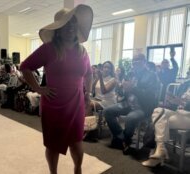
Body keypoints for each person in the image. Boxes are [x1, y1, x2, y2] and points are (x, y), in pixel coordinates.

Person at [20, 4, 93, 174]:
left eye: (73, 24)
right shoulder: (49, 49)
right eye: (66, 24)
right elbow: (25, 67)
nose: (70, 27)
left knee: (76, 142)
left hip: (76, 103)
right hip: (54, 104)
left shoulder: (83, 52)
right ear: (58, 29)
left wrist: (87, 93)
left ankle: (78, 169)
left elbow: (89, 74)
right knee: (53, 143)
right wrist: (38, 88)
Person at [104, 54, 159, 154]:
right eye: (134, 60)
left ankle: (122, 140)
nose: (135, 62)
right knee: (107, 111)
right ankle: (123, 138)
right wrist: (121, 88)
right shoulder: (130, 74)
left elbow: (151, 97)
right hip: (127, 103)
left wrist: (133, 89)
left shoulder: (152, 76)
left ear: (145, 62)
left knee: (130, 118)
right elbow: (122, 93)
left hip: (143, 107)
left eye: (138, 60)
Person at [142, 80, 190, 167]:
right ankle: (160, 149)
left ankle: (157, 155)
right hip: (179, 113)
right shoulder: (186, 84)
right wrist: (174, 101)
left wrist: (184, 103)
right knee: (158, 112)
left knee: (158, 120)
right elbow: (179, 104)